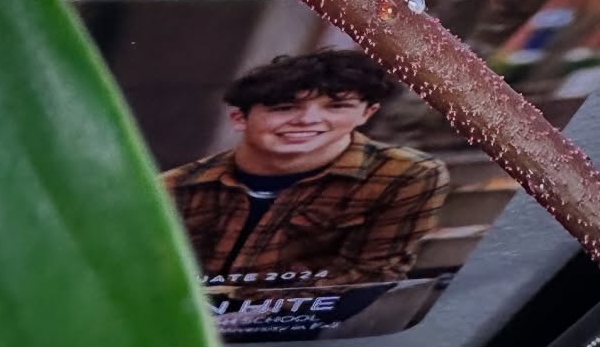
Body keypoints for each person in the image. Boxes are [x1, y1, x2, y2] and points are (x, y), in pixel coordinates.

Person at [160, 47, 448, 286]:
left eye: (337, 106)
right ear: (239, 119)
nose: (308, 120)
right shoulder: (171, 187)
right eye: (284, 107)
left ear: (366, 113)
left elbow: (370, 276)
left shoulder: (405, 175)